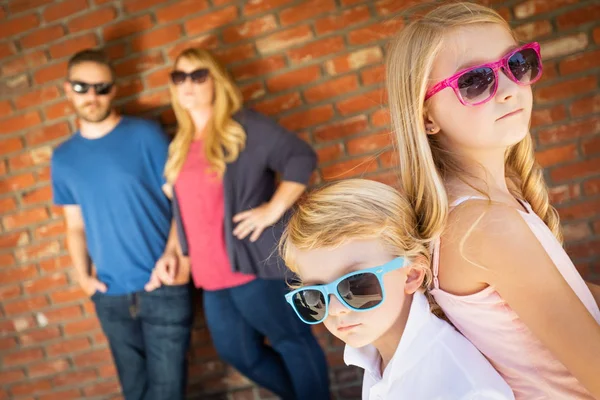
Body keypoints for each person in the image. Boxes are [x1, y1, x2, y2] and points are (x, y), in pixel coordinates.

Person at [385, 2, 600, 398]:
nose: (508, 89)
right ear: (426, 117)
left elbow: (575, 297)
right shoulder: (485, 224)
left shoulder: (487, 201)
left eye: (516, 64)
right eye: (474, 80)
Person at [145, 47, 330, 400]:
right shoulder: (180, 145)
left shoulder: (243, 127)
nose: (188, 84)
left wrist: (273, 209)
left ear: (216, 81)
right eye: (179, 77)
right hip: (210, 275)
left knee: (293, 341)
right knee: (238, 353)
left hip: (254, 266)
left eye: (198, 75)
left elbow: (300, 157)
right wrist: (172, 251)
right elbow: (182, 211)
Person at [279, 179, 514, 399]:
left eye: (356, 284)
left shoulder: (463, 390)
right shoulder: (377, 357)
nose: (336, 309)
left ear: (411, 274)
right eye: (314, 295)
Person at [51, 49, 192, 400]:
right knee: (134, 391)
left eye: (101, 87)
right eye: (82, 87)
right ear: (68, 89)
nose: (92, 96)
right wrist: (84, 278)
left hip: (162, 284)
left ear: (114, 90)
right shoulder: (63, 157)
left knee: (167, 392)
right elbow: (75, 226)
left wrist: (175, 254)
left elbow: (183, 203)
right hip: (109, 295)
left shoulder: (146, 135)